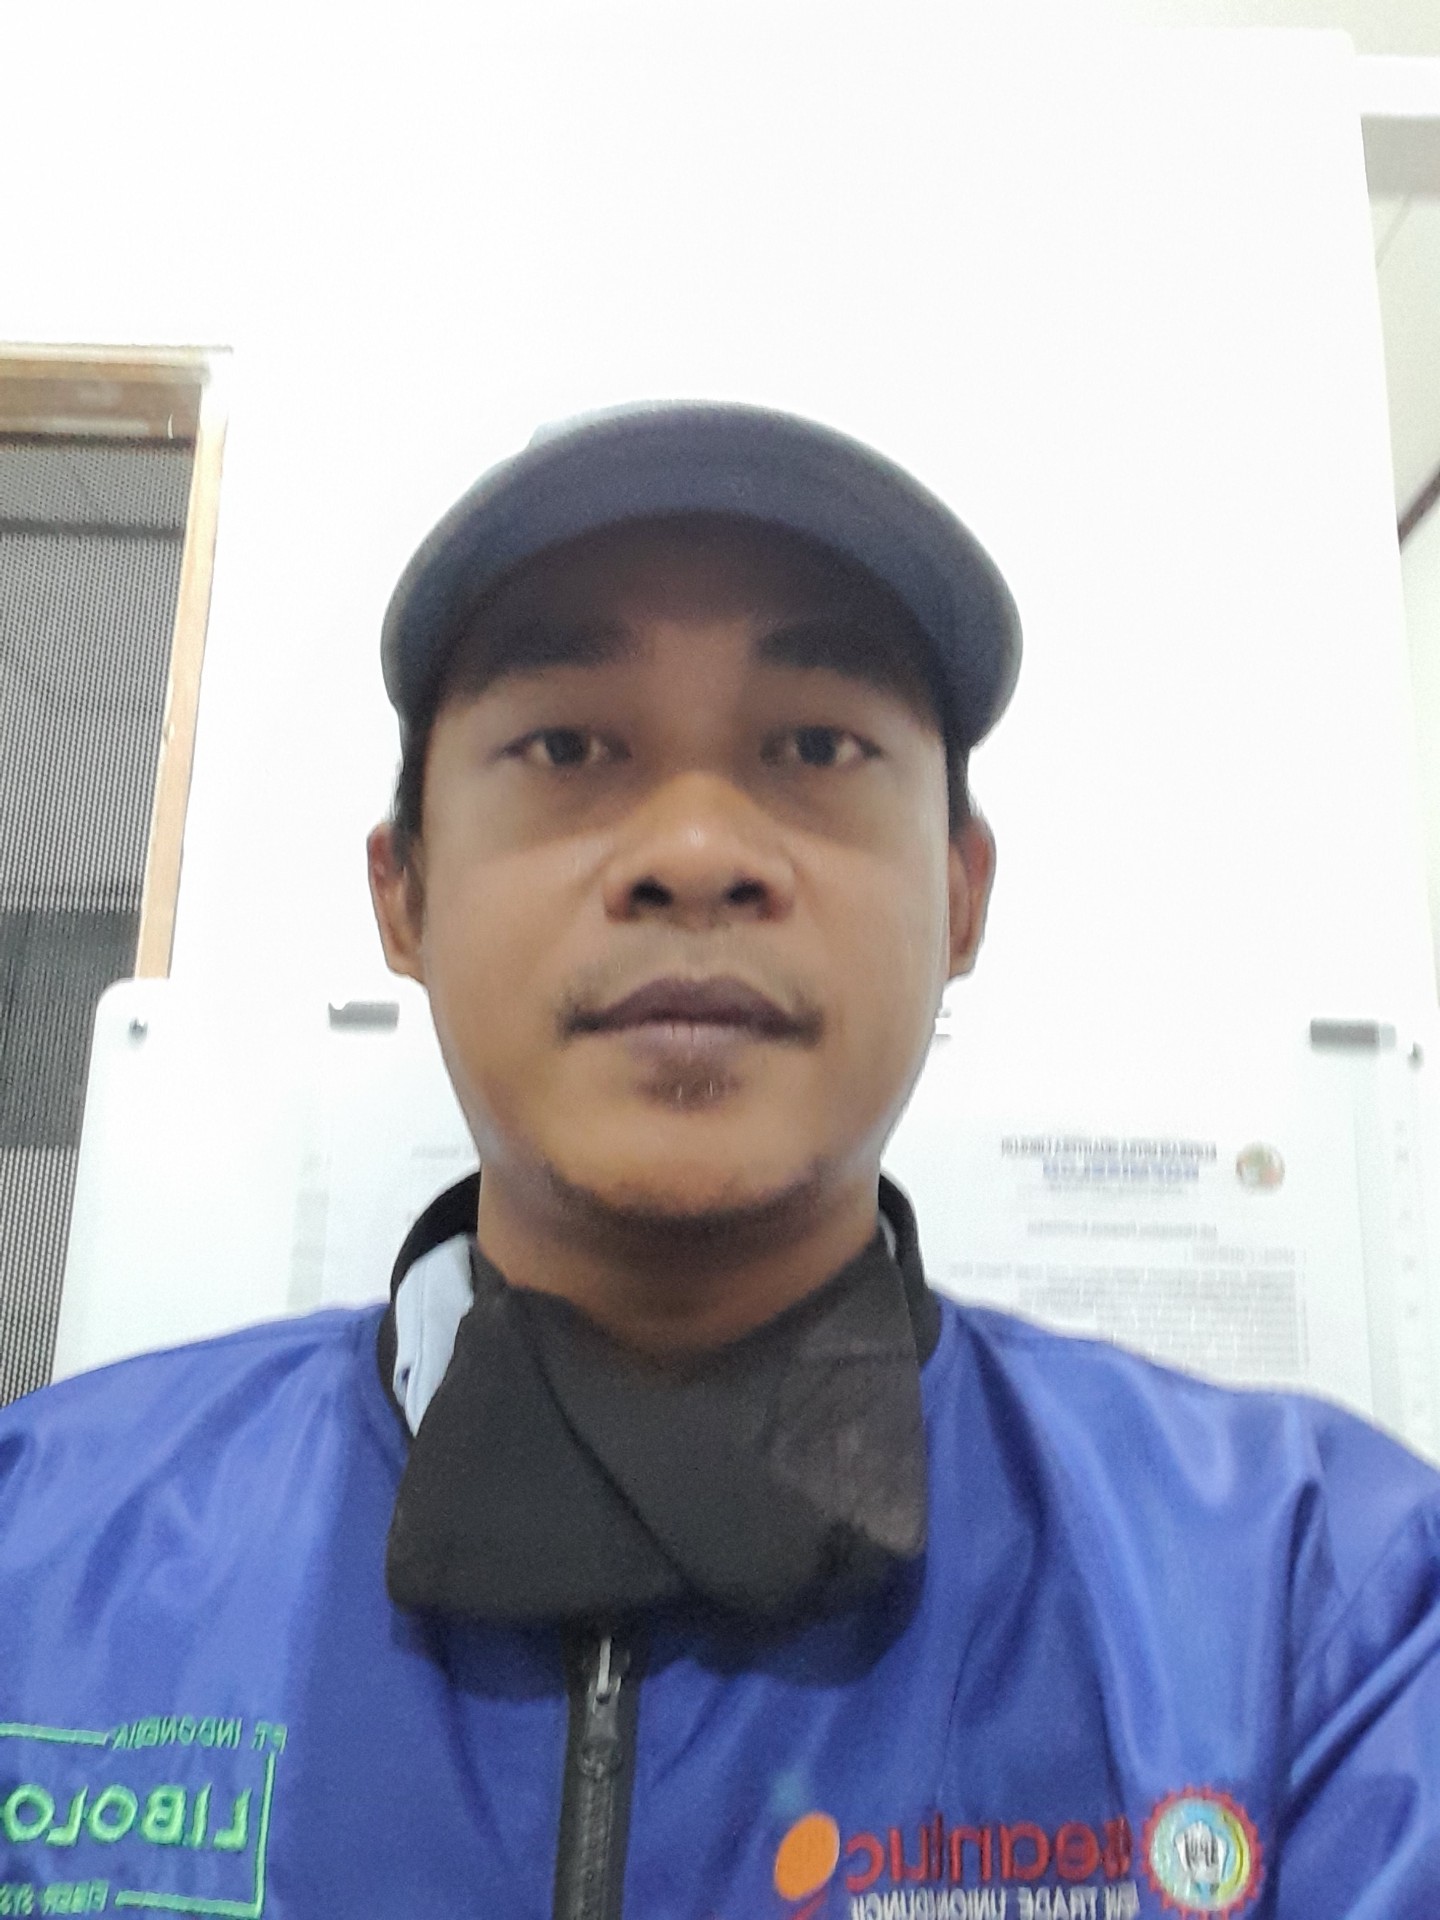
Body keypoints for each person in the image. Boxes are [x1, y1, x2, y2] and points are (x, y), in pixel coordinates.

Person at [1, 402, 1437, 1920]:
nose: (695, 853)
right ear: (403, 892)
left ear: (961, 897)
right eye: (567, 745)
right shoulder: (37, 1546)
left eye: (816, 746)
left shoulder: (1317, 1610)